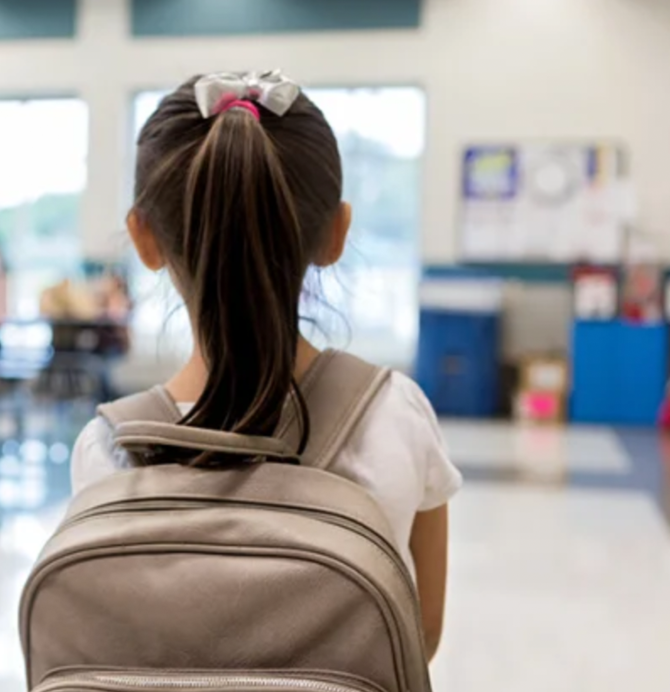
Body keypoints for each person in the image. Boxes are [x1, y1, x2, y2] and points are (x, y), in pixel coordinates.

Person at [70, 75, 462, 662]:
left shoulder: (107, 449)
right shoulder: (395, 414)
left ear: (143, 238)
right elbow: (417, 640)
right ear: (337, 232)